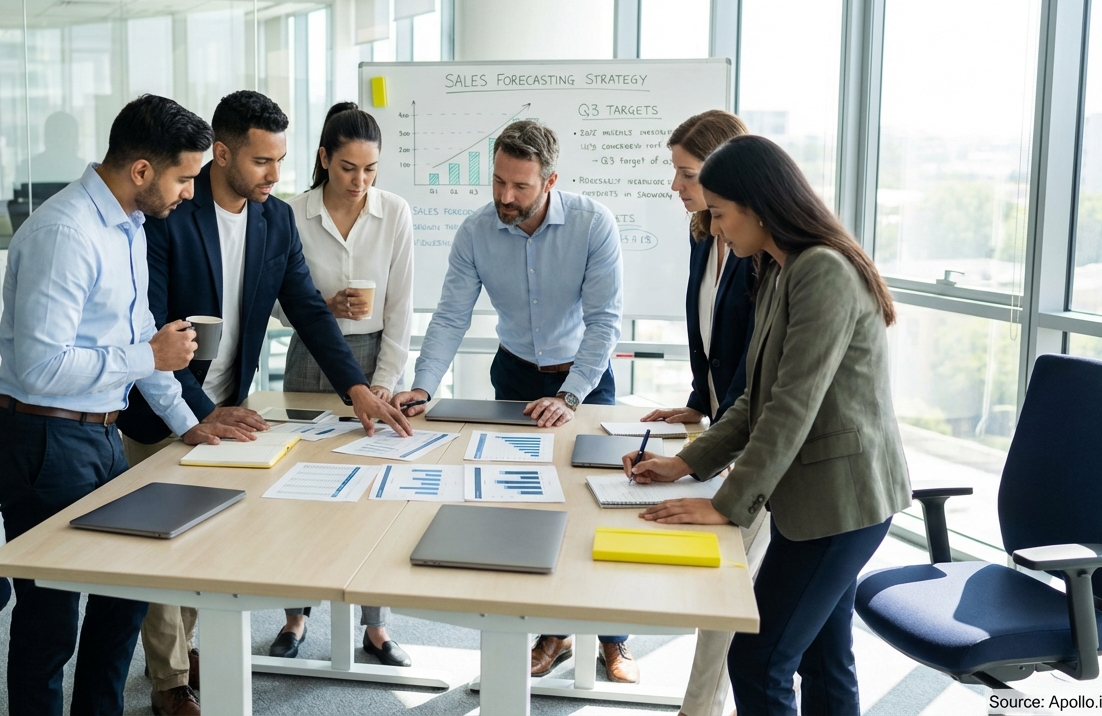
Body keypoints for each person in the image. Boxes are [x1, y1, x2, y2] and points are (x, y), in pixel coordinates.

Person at [115, 90, 413, 716]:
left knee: (207, 534)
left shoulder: (275, 220)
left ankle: (188, 649)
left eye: (280, 160)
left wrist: (356, 387)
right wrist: (196, 409)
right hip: (166, 403)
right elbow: (151, 321)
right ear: (220, 154)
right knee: (161, 547)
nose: (277, 175)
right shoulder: (172, 216)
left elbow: (305, 306)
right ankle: (170, 682)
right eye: (261, 162)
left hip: (231, 401)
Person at [625, 135, 912, 716]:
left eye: (722, 213)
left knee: (758, 660)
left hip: (841, 504)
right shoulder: (781, 269)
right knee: (823, 663)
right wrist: (689, 462)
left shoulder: (822, 271)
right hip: (817, 502)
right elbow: (756, 397)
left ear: (757, 207)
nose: (718, 228)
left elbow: (792, 405)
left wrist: (726, 504)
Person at [0, 94, 237, 716]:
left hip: (96, 436)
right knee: (51, 618)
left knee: (124, 594)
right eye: (184, 177)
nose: (191, 193)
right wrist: (148, 357)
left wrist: (188, 423)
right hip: (41, 436)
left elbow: (145, 337)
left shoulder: (130, 225)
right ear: (142, 170)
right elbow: (45, 365)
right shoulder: (65, 233)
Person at [390, 119, 639, 683]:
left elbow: (604, 322)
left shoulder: (592, 223)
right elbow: (451, 316)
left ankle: (615, 639)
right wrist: (425, 385)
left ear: (550, 180)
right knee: (526, 507)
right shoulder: (476, 231)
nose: (505, 196)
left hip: (583, 381)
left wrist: (571, 394)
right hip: (516, 378)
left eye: (520, 187)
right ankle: (553, 633)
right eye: (498, 181)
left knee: (593, 506)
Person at [270, 101, 415, 667]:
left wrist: (382, 385)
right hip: (311, 356)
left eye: (371, 169)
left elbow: (402, 307)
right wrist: (319, 309)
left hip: (378, 355)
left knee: (377, 495)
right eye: (349, 167)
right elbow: (278, 301)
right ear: (324, 158)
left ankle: (375, 628)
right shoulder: (292, 213)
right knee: (303, 487)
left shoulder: (394, 212)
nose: (360, 181)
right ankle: (295, 618)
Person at [640, 110, 767, 716]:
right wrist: (696, 406)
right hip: (724, 425)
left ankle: (699, 710)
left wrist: (702, 457)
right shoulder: (702, 235)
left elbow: (759, 368)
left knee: (729, 598)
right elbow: (709, 340)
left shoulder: (762, 254)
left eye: (687, 174)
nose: (677, 186)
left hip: (758, 441)